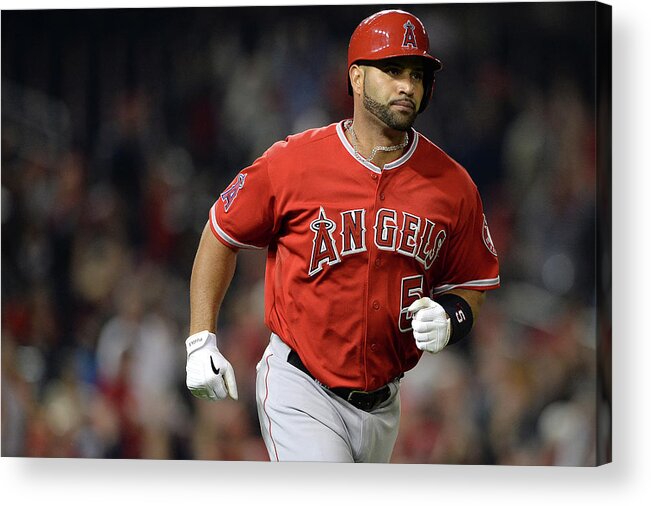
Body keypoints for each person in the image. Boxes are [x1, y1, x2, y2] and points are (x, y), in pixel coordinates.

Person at [185, 9, 500, 463]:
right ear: (355, 77)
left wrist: (453, 318)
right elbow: (221, 232)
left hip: (385, 405)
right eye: (392, 70)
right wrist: (201, 339)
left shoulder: (452, 185)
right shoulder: (293, 162)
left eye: (417, 73)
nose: (407, 86)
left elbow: (473, 281)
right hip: (301, 387)